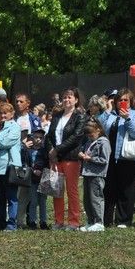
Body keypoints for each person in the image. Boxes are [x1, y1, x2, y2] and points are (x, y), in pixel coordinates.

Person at [97, 88, 135, 228]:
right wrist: (108, 110)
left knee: (126, 190)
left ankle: (123, 220)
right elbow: (98, 127)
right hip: (109, 158)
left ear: (131, 101)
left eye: (125, 100)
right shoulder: (110, 115)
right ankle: (107, 219)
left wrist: (127, 119)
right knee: (108, 189)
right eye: (119, 100)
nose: (122, 102)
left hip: (127, 158)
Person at [45, 88, 86, 230]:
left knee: (72, 190)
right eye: (64, 97)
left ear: (76, 100)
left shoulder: (80, 116)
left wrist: (56, 150)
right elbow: (49, 135)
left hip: (71, 158)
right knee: (57, 190)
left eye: (70, 97)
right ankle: (58, 221)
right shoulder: (57, 116)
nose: (67, 100)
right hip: (56, 159)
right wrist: (51, 151)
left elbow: (76, 138)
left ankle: (74, 222)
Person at [78, 119, 110, 232]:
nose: (90, 137)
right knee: (87, 199)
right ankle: (91, 221)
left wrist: (90, 158)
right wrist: (81, 154)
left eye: (91, 134)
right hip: (87, 173)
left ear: (98, 130)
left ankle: (99, 222)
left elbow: (104, 160)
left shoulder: (104, 142)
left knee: (96, 198)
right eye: (88, 135)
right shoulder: (89, 142)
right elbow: (85, 151)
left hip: (97, 175)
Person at [17, 128, 50, 229]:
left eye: (41, 137)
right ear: (32, 138)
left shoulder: (45, 151)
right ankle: (32, 221)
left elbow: (47, 163)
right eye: (36, 137)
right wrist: (32, 170)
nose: (38, 139)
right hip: (31, 179)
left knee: (43, 201)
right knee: (33, 201)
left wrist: (42, 170)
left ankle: (43, 222)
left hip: (43, 178)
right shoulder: (28, 150)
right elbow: (24, 163)